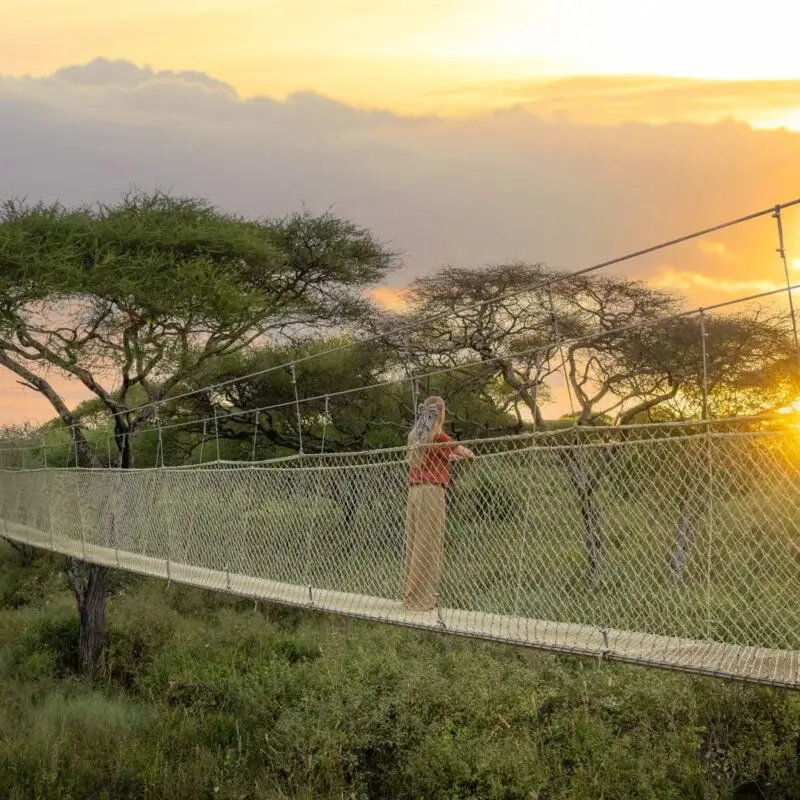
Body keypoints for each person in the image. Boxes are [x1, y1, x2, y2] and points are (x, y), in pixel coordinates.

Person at [403, 395, 475, 612]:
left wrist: (449, 457)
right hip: (432, 493)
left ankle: (410, 597)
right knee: (429, 545)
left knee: (414, 544)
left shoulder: (416, 436)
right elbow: (467, 453)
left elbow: (431, 457)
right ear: (441, 413)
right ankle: (422, 602)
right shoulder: (439, 436)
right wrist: (467, 455)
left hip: (414, 493)